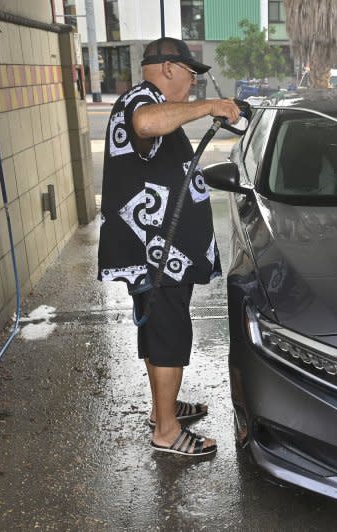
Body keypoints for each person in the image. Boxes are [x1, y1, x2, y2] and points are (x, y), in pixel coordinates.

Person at [97, 37, 240, 457]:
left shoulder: (151, 102)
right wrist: (209, 107)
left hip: (162, 258)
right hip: (156, 258)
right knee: (168, 335)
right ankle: (166, 430)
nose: (194, 85)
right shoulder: (141, 100)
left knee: (159, 334)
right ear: (168, 68)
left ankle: (165, 408)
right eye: (191, 76)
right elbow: (145, 125)